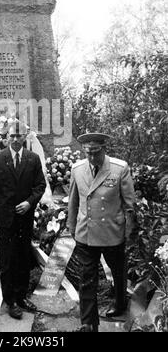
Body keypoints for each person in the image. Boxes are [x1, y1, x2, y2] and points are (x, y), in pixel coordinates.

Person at [67, 132, 136, 332]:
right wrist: (72, 225)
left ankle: (120, 302)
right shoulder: (77, 169)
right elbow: (73, 200)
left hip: (112, 233)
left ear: (104, 149)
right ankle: (88, 323)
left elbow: (129, 204)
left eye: (96, 153)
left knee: (118, 271)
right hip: (86, 232)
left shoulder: (119, 168)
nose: (92, 158)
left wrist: (129, 231)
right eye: (88, 153)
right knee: (87, 278)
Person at [0, 120, 46, 319]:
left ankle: (21, 297)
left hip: (25, 218)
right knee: (7, 260)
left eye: (19, 135)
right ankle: (10, 300)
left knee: (23, 258)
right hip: (5, 219)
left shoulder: (33, 159)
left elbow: (40, 186)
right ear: (6, 137)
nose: (15, 139)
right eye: (11, 135)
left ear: (25, 137)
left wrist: (30, 203)